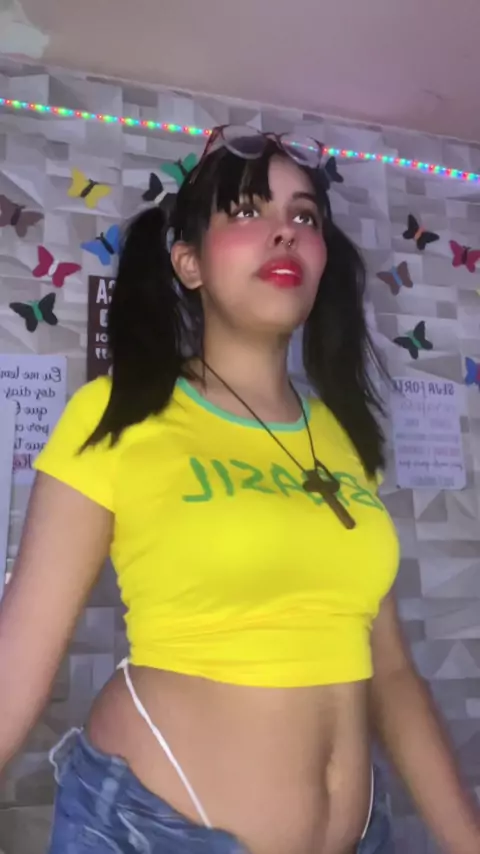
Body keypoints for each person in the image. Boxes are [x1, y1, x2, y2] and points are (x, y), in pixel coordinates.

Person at [0, 127, 478, 854]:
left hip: (359, 837)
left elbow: (391, 673)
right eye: (248, 211)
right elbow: (18, 660)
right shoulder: (118, 413)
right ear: (188, 262)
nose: (286, 231)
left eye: (304, 215)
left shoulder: (343, 438)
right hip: (155, 833)